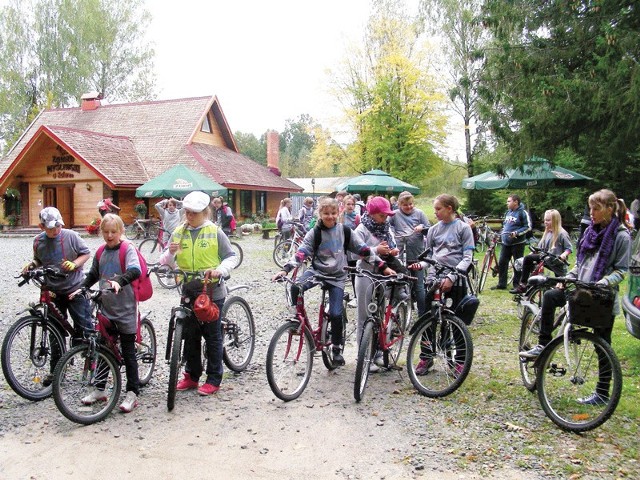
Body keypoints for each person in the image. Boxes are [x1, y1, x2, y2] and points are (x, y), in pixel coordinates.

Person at [521, 189, 631, 405]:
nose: (591, 213)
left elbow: (621, 270)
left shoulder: (621, 236)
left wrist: (602, 283)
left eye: (596, 209)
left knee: (603, 345)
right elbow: (580, 264)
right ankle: (543, 344)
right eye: (590, 208)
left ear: (610, 209)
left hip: (601, 296)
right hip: (579, 288)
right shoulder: (590, 231)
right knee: (552, 296)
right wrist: (567, 277)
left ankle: (601, 393)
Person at [272, 197, 381, 366]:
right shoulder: (315, 232)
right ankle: (298, 320)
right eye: (326, 213)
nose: (330, 216)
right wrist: (285, 269)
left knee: (336, 314)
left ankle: (336, 348)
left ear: (338, 213)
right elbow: (302, 252)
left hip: (337, 276)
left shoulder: (345, 231)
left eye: (333, 213)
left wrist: (381, 265)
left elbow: (363, 249)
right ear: (320, 214)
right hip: (317, 271)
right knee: (295, 287)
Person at [160, 191, 238, 395]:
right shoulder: (178, 232)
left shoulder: (215, 231)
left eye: (194, 212)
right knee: (190, 334)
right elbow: (165, 262)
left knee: (212, 335)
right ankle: (192, 376)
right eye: (187, 212)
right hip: (188, 289)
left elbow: (231, 256)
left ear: (205, 212)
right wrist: (170, 252)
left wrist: (220, 270)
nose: (190, 216)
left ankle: (213, 378)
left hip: (211, 290)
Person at [78, 214, 142, 413]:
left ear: (121, 232)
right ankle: (100, 389)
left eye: (114, 232)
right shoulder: (100, 252)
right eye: (106, 232)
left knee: (129, 352)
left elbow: (135, 270)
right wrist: (80, 288)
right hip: (107, 309)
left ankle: (133, 392)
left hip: (125, 309)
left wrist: (119, 281)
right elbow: (93, 274)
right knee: (105, 348)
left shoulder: (127, 249)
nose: (109, 235)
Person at [23, 207, 92, 384]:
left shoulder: (70, 236)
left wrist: (74, 264)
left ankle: (94, 363)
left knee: (84, 326)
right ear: (42, 226)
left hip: (74, 287)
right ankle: (57, 371)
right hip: (52, 290)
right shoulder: (38, 241)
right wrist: (31, 265)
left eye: (58, 226)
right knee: (55, 331)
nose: (56, 230)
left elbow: (85, 253)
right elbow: (39, 260)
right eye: (51, 228)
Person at [409, 194, 477, 375]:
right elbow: (430, 256)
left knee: (457, 321)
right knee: (427, 319)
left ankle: (459, 361)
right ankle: (426, 357)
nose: (435, 212)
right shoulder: (432, 230)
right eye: (435, 209)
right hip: (434, 280)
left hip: (456, 280)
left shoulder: (463, 229)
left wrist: (453, 277)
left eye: (438, 209)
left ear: (449, 209)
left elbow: (467, 258)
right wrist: (420, 265)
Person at [353, 196, 405, 371]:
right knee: (364, 316)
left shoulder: (386, 227)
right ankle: (363, 356)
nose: (386, 218)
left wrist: (392, 251)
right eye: (383, 215)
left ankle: (377, 353)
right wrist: (376, 250)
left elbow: (392, 245)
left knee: (380, 316)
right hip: (365, 274)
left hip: (384, 275)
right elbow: (353, 254)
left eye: (387, 215)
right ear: (372, 213)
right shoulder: (361, 229)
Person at [389, 191, 430, 320]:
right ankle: (397, 315)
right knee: (398, 283)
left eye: (411, 204)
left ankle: (422, 315)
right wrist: (394, 234)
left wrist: (421, 227)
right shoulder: (395, 215)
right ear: (400, 204)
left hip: (416, 253)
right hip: (401, 254)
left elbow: (429, 229)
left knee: (419, 285)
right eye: (405, 205)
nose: (409, 207)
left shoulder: (419, 213)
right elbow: (388, 226)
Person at [510, 209, 572, 294]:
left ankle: (563, 294)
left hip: (557, 262)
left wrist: (564, 255)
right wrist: (533, 253)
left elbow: (569, 248)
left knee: (561, 285)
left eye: (548, 220)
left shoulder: (562, 233)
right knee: (528, 259)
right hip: (546, 258)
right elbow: (540, 248)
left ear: (555, 220)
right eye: (545, 220)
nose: (545, 222)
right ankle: (524, 285)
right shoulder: (547, 233)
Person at [491, 194, 532, 290]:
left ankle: (517, 284)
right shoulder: (508, 213)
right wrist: (500, 234)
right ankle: (501, 284)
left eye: (509, 201)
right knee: (502, 262)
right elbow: (505, 226)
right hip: (506, 243)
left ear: (516, 202)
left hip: (518, 243)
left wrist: (516, 233)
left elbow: (528, 227)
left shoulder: (522, 213)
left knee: (517, 264)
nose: (507, 203)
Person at [340, 194, 361, 306]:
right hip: (342, 249)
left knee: (354, 272)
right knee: (342, 272)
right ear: (344, 204)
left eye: (353, 204)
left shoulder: (357, 217)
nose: (351, 206)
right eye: (348, 204)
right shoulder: (340, 216)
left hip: (353, 249)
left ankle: (357, 296)